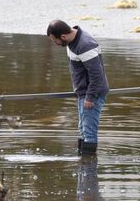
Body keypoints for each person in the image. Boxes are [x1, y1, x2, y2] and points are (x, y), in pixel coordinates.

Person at [47, 20, 110, 154]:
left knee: (89, 132)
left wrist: (90, 97)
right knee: (82, 129)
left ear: (63, 36)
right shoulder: (71, 42)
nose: (55, 44)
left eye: (55, 41)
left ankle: (89, 169)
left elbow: (97, 75)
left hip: (92, 94)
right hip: (84, 93)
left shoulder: (85, 45)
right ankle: (83, 166)